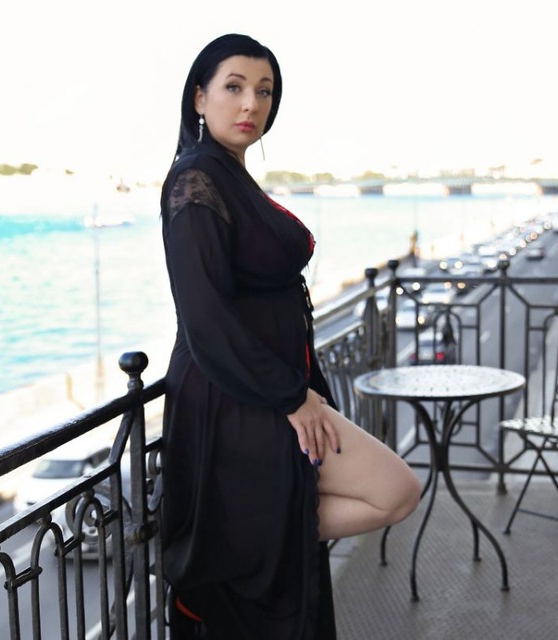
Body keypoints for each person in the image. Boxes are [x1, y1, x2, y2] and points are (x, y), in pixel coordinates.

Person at [159, 33, 421, 640]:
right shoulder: (194, 180)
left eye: (265, 91)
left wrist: (298, 390)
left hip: (266, 390)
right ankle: (232, 545)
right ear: (199, 98)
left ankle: (239, 541)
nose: (251, 103)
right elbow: (204, 317)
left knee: (367, 500)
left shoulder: (231, 177)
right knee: (396, 489)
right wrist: (292, 397)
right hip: (236, 397)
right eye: (233, 87)